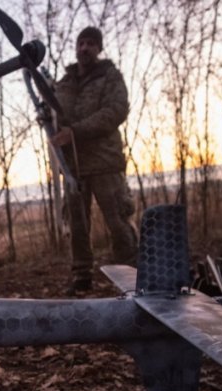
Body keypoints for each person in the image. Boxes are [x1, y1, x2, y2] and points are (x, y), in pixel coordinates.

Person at [50, 26, 138, 295]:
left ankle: (134, 275)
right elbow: (55, 116)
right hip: (74, 165)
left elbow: (116, 110)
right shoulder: (63, 83)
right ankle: (82, 276)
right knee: (77, 223)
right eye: (81, 43)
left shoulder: (110, 77)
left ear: (99, 48)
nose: (84, 48)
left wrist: (75, 132)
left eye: (90, 43)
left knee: (118, 220)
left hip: (104, 162)